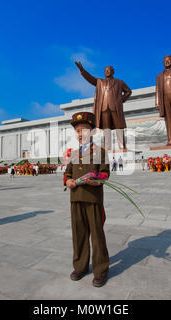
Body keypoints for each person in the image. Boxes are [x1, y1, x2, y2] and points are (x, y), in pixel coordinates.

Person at [64, 111, 110, 288]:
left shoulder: (100, 151)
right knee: (79, 235)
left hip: (93, 199)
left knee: (97, 236)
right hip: (75, 199)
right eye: (77, 131)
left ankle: (100, 271)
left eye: (84, 130)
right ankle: (80, 267)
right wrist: (68, 180)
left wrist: (96, 181)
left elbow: (105, 173)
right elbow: (67, 172)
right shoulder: (73, 154)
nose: (80, 134)